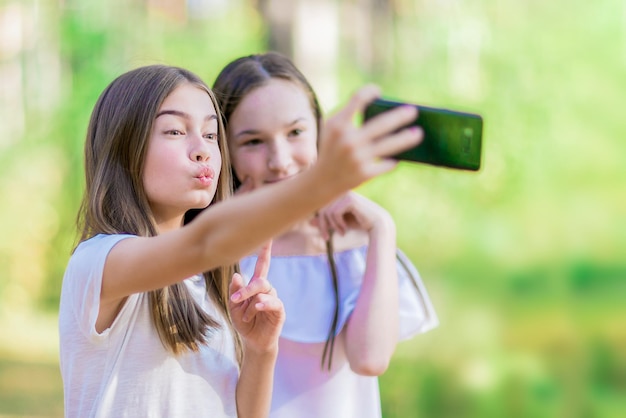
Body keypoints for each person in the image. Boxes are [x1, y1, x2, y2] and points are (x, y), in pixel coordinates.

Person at [58, 64, 421, 418]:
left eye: (211, 134)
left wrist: (261, 349)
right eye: (174, 131)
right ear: (125, 146)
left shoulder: (209, 286)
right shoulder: (100, 262)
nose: (201, 149)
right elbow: (203, 243)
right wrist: (320, 183)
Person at [212, 52, 440, 418]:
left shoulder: (355, 246)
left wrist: (382, 228)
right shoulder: (209, 252)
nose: (280, 160)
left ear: (321, 132)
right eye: (254, 142)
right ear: (226, 150)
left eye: (295, 133)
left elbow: (370, 359)